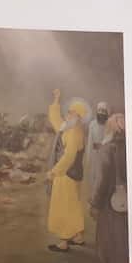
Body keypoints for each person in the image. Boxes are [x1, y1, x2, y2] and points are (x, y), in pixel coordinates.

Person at [45, 90, 87, 252]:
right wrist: (56, 100)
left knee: (64, 206)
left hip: (67, 174)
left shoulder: (74, 132)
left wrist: (54, 172)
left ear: (78, 117)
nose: (68, 115)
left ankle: (63, 242)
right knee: (73, 205)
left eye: (71, 113)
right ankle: (78, 237)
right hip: (71, 174)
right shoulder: (70, 127)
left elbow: (69, 157)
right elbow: (56, 121)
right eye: (68, 112)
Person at [91, 112, 128, 263]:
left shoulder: (106, 149)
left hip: (111, 202)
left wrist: (95, 204)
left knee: (111, 237)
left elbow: (101, 181)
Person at [85, 101, 112, 200]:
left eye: (103, 111)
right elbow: (89, 141)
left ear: (107, 113)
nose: (101, 113)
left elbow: (110, 138)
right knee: (93, 176)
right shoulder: (92, 124)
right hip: (94, 154)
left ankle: (102, 199)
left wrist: (104, 146)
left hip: (105, 154)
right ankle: (93, 197)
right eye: (99, 110)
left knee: (103, 176)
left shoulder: (110, 124)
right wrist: (88, 157)